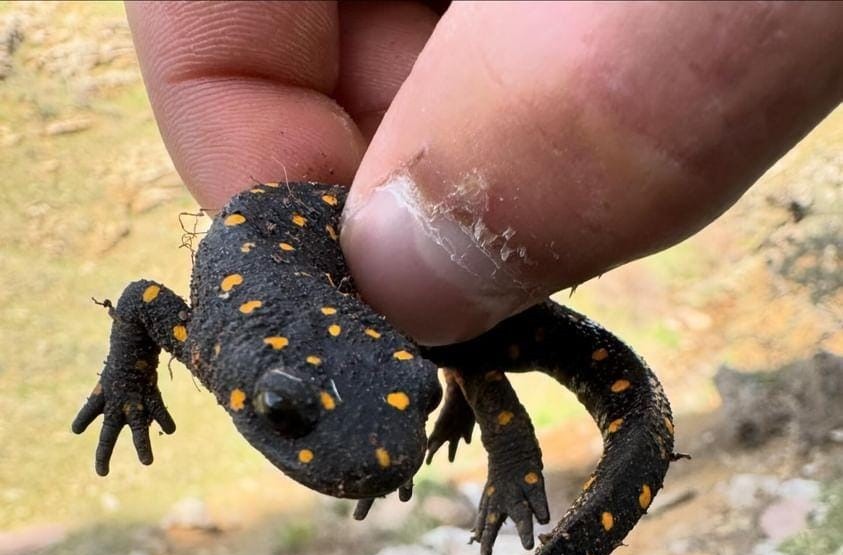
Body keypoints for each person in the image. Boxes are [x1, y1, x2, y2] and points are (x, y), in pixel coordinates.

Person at [127, 0, 842, 346]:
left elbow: (145, 304)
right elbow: (144, 306)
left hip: (352, 259)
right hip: (353, 280)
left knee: (455, 345)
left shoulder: (207, 341)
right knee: (458, 349)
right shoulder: (209, 346)